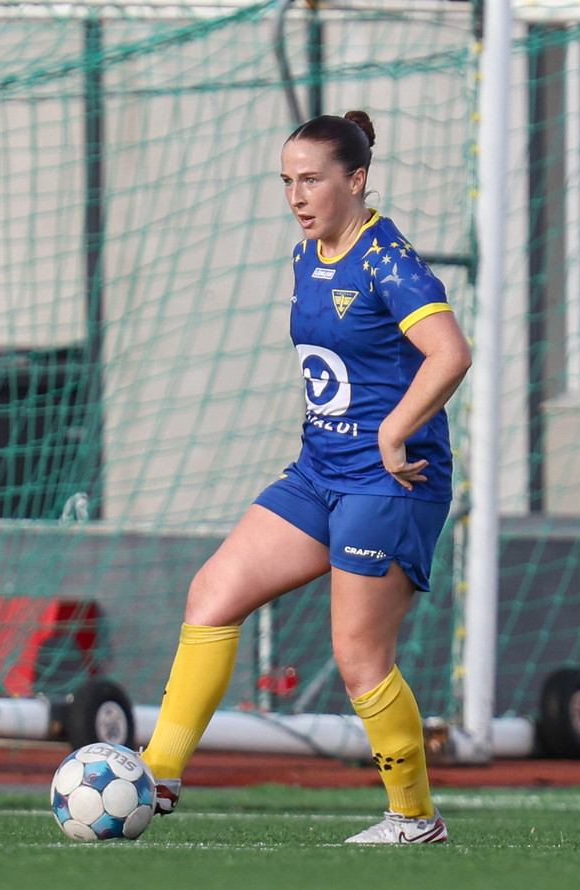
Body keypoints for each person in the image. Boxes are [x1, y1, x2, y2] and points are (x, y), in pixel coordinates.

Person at [140, 110, 472, 845]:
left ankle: (416, 819)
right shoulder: (306, 255)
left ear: (356, 180)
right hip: (319, 471)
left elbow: (450, 353)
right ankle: (156, 775)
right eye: (287, 181)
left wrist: (392, 430)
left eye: (312, 179)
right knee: (212, 594)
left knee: (359, 660)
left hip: (390, 482)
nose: (296, 195)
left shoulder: (388, 261)